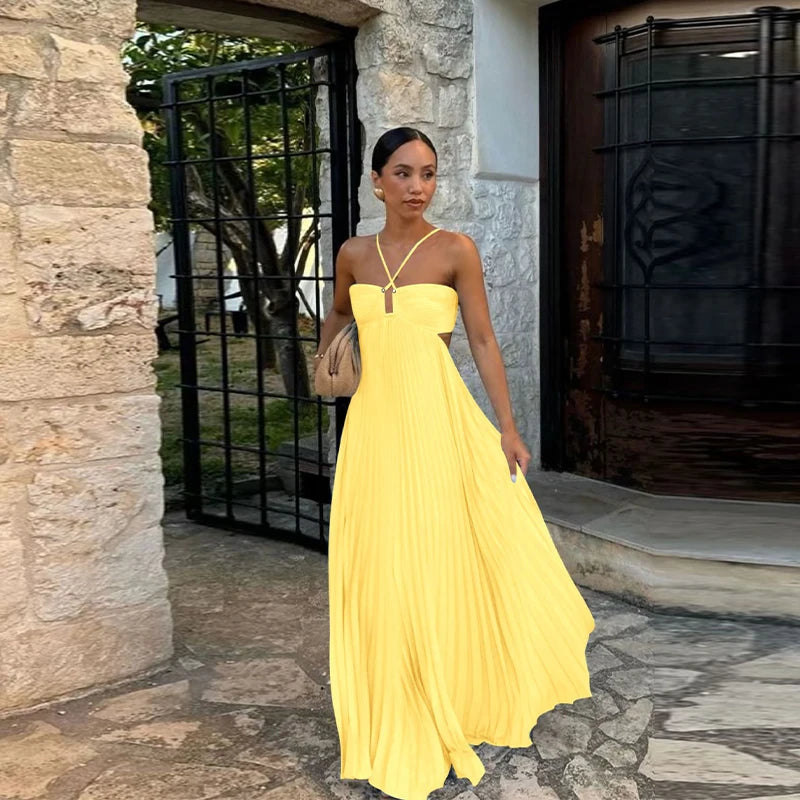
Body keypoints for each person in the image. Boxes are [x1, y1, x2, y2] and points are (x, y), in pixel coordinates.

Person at [314, 127, 595, 800]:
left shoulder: (454, 249)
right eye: (404, 173)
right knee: (379, 564)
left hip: (439, 424)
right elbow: (333, 319)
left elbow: (482, 338)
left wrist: (507, 426)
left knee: (439, 555)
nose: (417, 186)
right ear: (376, 180)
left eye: (429, 174)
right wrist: (327, 369)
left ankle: (452, 687)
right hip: (373, 430)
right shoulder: (352, 252)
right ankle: (393, 697)